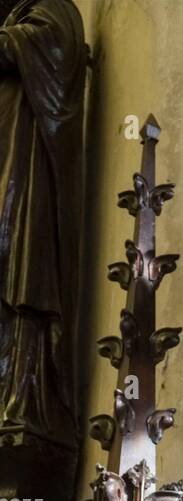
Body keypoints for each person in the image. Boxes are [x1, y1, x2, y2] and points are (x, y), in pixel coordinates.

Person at [0, 0, 86, 453]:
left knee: (20, 280)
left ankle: (23, 401)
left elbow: (47, 50)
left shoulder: (55, 12)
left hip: (26, 190)